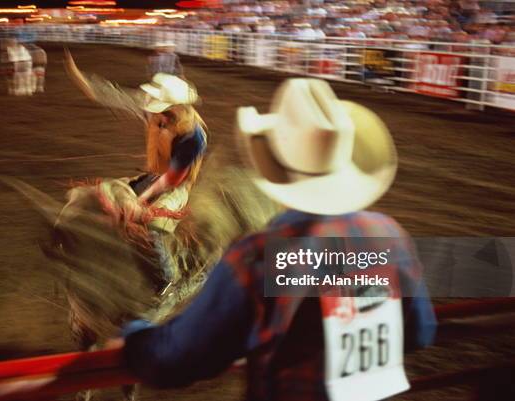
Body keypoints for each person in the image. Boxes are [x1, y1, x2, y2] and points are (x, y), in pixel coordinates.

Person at [118, 79, 437, 400]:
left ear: (275, 164)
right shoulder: (390, 238)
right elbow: (421, 332)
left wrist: (134, 335)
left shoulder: (258, 259)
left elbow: (175, 358)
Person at [64, 50, 207, 289]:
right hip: (155, 176)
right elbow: (117, 96)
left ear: (176, 107)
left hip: (175, 186)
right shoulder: (159, 112)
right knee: (107, 195)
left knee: (153, 226)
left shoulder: (194, 136)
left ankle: (169, 281)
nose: (150, 109)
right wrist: (83, 80)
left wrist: (140, 199)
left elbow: (172, 180)